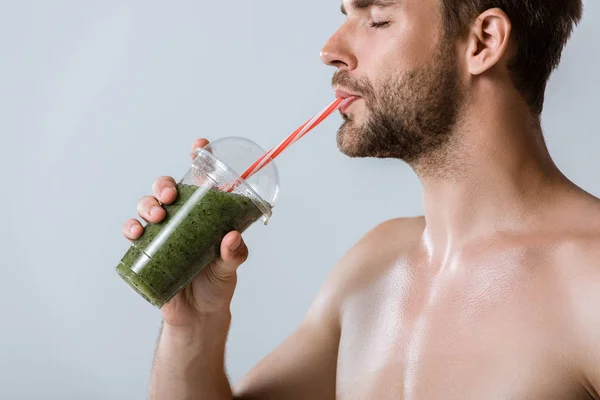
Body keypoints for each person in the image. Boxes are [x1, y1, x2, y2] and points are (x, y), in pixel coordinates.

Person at [122, 0, 600, 398]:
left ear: (483, 42)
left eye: (378, 18)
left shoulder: (590, 281)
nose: (331, 50)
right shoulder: (375, 262)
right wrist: (193, 327)